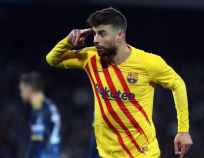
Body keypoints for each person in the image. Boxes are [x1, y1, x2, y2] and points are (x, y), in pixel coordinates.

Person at [46, 7, 193, 158]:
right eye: (95, 33)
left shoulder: (148, 63)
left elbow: (178, 84)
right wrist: (67, 41)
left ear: (120, 35)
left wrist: (183, 130)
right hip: (105, 153)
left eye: (102, 33)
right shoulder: (90, 57)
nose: (96, 39)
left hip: (142, 153)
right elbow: (52, 60)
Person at [19, 71, 61, 158]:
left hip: (45, 154)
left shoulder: (40, 109)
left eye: (22, 90)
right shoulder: (49, 105)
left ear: (29, 89)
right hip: (53, 152)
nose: (21, 94)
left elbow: (38, 141)